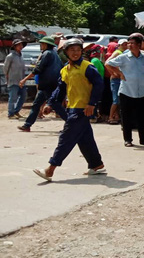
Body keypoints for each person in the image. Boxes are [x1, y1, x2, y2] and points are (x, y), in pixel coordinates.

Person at [33, 38, 106, 182]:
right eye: (72, 50)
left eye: (78, 50)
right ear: (66, 52)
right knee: (85, 138)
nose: (76, 53)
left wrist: (92, 104)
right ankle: (96, 165)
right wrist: (50, 103)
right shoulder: (65, 69)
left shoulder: (88, 67)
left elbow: (99, 85)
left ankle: (50, 169)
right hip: (73, 107)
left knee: (66, 138)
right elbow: (61, 89)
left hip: (83, 109)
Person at [105, 33, 144, 147]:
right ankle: (128, 139)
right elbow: (108, 63)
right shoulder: (124, 56)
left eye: (132, 43)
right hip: (127, 91)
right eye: (129, 43)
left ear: (139, 45)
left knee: (142, 116)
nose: (129, 45)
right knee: (126, 117)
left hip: (141, 92)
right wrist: (119, 73)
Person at [18, 36, 64, 131]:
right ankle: (27, 125)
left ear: (46, 45)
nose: (41, 46)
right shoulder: (55, 55)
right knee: (36, 104)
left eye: (42, 44)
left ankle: (71, 124)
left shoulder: (46, 54)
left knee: (55, 105)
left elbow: (38, 69)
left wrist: (24, 79)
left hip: (47, 84)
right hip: (50, 84)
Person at [4, 39, 27, 119]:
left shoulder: (21, 56)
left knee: (23, 96)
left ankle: (16, 111)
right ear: (14, 46)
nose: (21, 46)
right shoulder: (10, 56)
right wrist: (7, 78)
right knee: (13, 98)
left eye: (21, 45)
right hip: (13, 80)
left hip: (21, 80)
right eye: (19, 45)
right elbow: (5, 69)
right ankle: (11, 113)